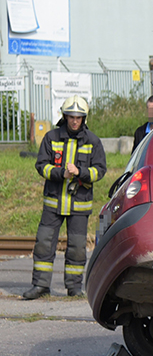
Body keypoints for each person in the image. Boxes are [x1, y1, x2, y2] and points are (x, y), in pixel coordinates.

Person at [23, 96, 107, 300]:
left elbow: (100, 170)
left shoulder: (93, 141)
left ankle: (74, 287)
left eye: (79, 117)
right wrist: (62, 173)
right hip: (53, 203)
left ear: (84, 118)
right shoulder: (51, 137)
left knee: (77, 248)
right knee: (43, 244)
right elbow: (41, 165)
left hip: (79, 204)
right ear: (65, 116)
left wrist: (80, 172)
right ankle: (40, 285)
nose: (75, 121)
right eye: (71, 117)